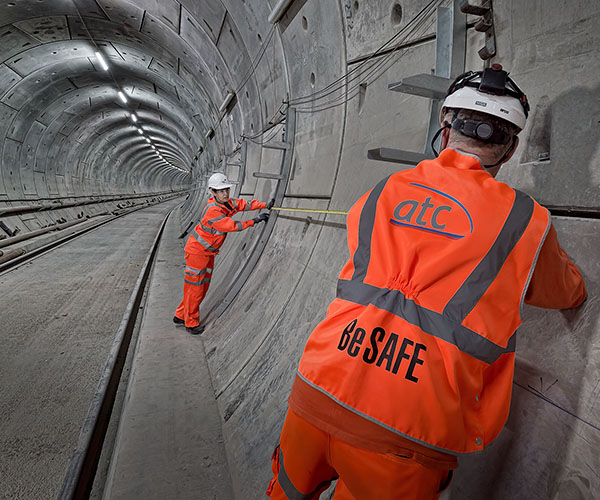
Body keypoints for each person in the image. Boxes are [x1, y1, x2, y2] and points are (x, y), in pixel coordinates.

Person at [266, 65, 587, 500]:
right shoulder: (524, 220)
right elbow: (566, 292)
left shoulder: (385, 189)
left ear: (445, 122)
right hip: (407, 423)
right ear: (509, 148)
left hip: (319, 384)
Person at [173, 172, 274, 334]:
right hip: (197, 253)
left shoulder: (226, 203)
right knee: (196, 289)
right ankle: (190, 323)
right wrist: (254, 221)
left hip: (207, 253)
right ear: (213, 192)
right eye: (221, 191)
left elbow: (243, 204)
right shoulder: (212, 210)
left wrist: (264, 204)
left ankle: (180, 315)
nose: (225, 193)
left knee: (199, 287)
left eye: (226, 189)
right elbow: (232, 226)